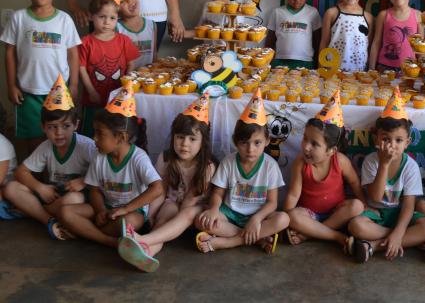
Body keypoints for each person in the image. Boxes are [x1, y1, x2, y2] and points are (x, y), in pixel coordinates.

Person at [60, 84, 164, 249]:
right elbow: (94, 189)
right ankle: (110, 241)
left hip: (131, 212)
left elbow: (158, 189)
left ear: (121, 137)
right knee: (66, 212)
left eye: (100, 134)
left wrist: (126, 209)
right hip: (107, 208)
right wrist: (100, 210)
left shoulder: (138, 158)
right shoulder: (99, 156)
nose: (94, 138)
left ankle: (89, 231)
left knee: (129, 223)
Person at [119, 94, 216, 272]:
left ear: (203, 143)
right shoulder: (165, 159)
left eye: (192, 139)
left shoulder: (207, 166)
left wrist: (176, 214)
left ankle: (142, 240)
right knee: (163, 218)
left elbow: (190, 200)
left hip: (196, 208)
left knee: (185, 212)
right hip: (173, 202)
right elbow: (160, 190)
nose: (184, 144)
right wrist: (152, 216)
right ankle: (146, 253)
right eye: (180, 137)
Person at [1, 0, 81, 152]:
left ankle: (54, 176)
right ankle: (33, 177)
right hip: (28, 91)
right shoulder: (18, 18)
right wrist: (11, 85)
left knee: (59, 138)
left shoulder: (64, 20)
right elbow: (9, 53)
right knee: (31, 139)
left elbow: (73, 54)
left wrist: (73, 84)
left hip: (59, 91)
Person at [348, 87, 425, 262]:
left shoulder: (410, 166)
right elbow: (374, 196)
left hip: (399, 213)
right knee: (355, 226)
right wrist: (384, 163)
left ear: (407, 143)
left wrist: (399, 230)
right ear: (376, 139)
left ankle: (373, 246)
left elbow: (409, 205)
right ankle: (404, 240)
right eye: (385, 139)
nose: (392, 145)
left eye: (398, 140)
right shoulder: (371, 161)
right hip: (377, 213)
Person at [194, 90, 289, 254]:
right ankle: (257, 238)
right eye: (244, 143)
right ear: (235, 142)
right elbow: (217, 193)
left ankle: (227, 243)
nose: (250, 149)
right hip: (230, 214)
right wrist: (214, 209)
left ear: (267, 141)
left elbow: (272, 202)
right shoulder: (228, 162)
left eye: (257, 143)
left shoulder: (270, 166)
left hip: (259, 216)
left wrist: (256, 219)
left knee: (283, 219)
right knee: (200, 221)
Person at [2, 75, 95, 239]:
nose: (59, 133)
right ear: (43, 127)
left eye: (66, 126)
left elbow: (104, 171)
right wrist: (40, 187)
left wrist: (84, 180)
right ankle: (49, 220)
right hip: (52, 194)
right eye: (52, 127)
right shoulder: (46, 147)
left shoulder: (86, 146)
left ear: (76, 125)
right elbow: (21, 172)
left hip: (79, 198)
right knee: (12, 188)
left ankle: (33, 212)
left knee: (72, 199)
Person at [283, 90, 365, 252]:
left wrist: (365, 202)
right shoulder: (300, 163)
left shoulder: (340, 161)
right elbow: (293, 195)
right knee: (293, 216)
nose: (306, 146)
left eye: (314, 144)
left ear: (331, 150)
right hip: (309, 215)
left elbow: (355, 182)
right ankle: (336, 236)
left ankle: (311, 234)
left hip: (336, 213)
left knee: (357, 206)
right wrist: (285, 218)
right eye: (305, 138)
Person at [79, 0, 140, 137]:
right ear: (91, 16)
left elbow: (131, 64)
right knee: (90, 133)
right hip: (93, 100)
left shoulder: (124, 40)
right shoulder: (85, 42)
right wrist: (91, 91)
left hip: (118, 98)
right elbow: (81, 68)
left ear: (117, 18)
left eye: (112, 18)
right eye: (102, 17)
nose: (107, 22)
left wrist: (126, 84)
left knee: (114, 132)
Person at [368, 0, 423, 71]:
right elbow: (376, 43)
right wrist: (371, 69)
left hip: (409, 70)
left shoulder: (418, 16)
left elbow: (421, 48)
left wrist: (421, 71)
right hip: (384, 68)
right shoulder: (383, 15)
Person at [266, 0, 322, 69]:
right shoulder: (277, 13)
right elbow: (270, 42)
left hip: (306, 64)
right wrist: (268, 62)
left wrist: (317, 64)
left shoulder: (313, 13)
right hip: (279, 63)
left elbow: (317, 42)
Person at [116, 0, 157, 68]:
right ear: (116, 11)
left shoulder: (152, 25)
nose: (129, 0)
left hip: (147, 76)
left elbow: (154, 54)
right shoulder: (116, 28)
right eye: (122, 1)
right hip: (127, 78)